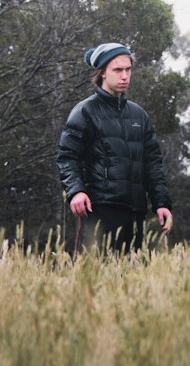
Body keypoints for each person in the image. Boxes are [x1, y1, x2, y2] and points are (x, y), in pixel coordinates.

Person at [57, 42, 173, 252]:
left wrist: (161, 203)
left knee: (134, 280)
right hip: (100, 209)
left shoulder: (139, 115)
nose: (124, 76)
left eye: (128, 69)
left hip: (136, 212)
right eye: (117, 70)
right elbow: (67, 157)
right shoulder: (85, 111)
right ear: (102, 72)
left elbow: (152, 164)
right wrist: (76, 192)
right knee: (97, 278)